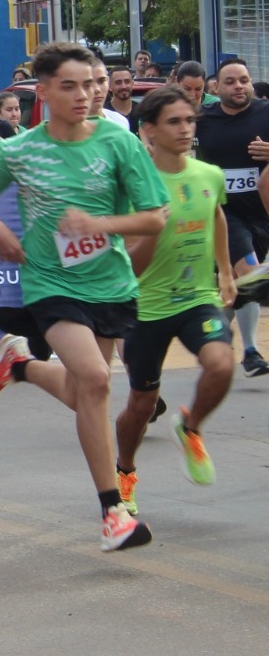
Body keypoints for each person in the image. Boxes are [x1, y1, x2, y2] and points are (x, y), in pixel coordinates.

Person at [0, 41, 168, 552]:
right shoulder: (18, 149)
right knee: (97, 380)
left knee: (87, 392)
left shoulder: (119, 142)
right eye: (70, 86)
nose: (85, 95)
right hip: (49, 283)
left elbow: (155, 217)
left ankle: (20, 365)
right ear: (43, 91)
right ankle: (112, 513)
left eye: (91, 84)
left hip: (110, 283)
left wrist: (98, 223)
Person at [113, 86, 236, 512]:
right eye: (174, 122)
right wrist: (154, 227)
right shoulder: (133, 188)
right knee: (142, 404)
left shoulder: (209, 174)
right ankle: (125, 471)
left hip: (196, 297)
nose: (185, 129)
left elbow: (216, 214)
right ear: (149, 131)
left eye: (190, 120)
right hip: (144, 307)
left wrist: (225, 271)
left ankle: (190, 426)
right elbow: (133, 266)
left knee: (221, 364)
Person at [192, 59, 269, 376]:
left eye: (245, 80)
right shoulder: (202, 119)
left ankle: (212, 338)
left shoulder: (266, 112)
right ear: (216, 88)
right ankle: (251, 352)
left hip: (261, 209)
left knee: (241, 287)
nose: (239, 86)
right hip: (223, 211)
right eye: (231, 81)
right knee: (249, 272)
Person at [90, 59, 131, 132]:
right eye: (89, 83)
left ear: (108, 82)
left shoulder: (121, 122)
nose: (97, 89)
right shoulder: (66, 127)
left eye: (101, 81)